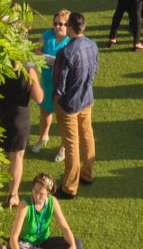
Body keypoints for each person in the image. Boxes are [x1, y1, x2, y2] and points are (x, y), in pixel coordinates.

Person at [50, 11, 99, 198]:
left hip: (69, 104)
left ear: (70, 27)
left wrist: (56, 98)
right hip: (87, 99)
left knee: (71, 144)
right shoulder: (92, 45)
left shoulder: (65, 52)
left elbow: (59, 85)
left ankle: (70, 187)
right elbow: (94, 69)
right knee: (87, 135)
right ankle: (87, 174)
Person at [0, 58, 43, 208]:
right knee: (17, 157)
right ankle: (12, 196)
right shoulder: (28, 71)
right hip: (19, 119)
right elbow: (39, 97)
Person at [34, 9, 72, 158]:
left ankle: (63, 146)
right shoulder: (46, 36)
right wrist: (45, 57)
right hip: (47, 81)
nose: (58, 27)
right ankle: (43, 136)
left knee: (63, 117)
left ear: (68, 25)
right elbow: (35, 50)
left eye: (61, 24)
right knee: (45, 111)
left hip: (63, 85)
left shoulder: (70, 40)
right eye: (55, 23)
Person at [10, 174, 80, 249]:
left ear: (48, 194)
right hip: (26, 243)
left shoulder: (52, 202)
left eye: (41, 194)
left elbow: (65, 228)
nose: (37, 196)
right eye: (35, 191)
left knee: (76, 243)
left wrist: (72, 245)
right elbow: (13, 238)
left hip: (44, 241)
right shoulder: (24, 205)